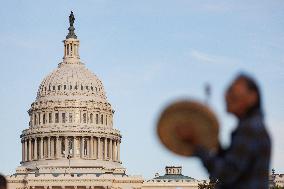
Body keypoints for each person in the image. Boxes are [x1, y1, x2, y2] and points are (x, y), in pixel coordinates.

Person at [177, 74, 271, 189]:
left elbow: (226, 174)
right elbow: (234, 165)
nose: (227, 97)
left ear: (252, 97)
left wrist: (198, 146)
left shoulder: (249, 129)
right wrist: (214, 143)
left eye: (233, 94)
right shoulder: (253, 128)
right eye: (227, 92)